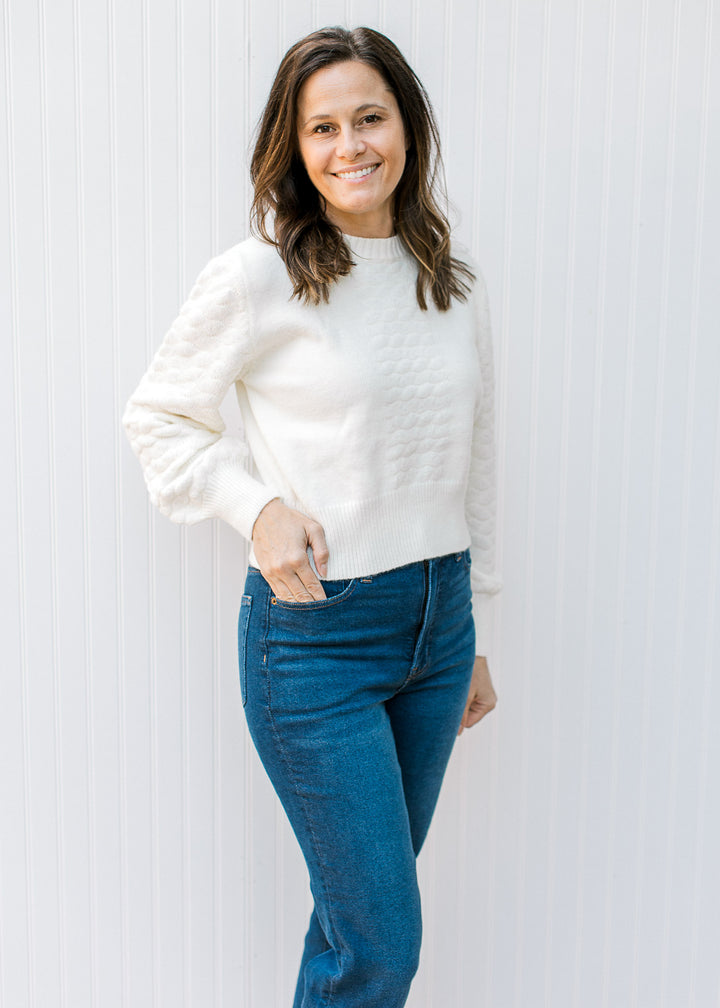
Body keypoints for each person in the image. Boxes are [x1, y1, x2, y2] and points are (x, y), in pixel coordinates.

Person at [123, 25, 501, 1008]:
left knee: (352, 928)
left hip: (440, 627)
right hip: (317, 643)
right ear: (294, 149)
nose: (350, 147)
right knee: (379, 943)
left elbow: (476, 465)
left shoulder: (449, 281)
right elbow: (158, 418)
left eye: (369, 118)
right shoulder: (263, 274)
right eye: (321, 128)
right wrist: (257, 508)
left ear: (407, 127)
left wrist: (476, 634)